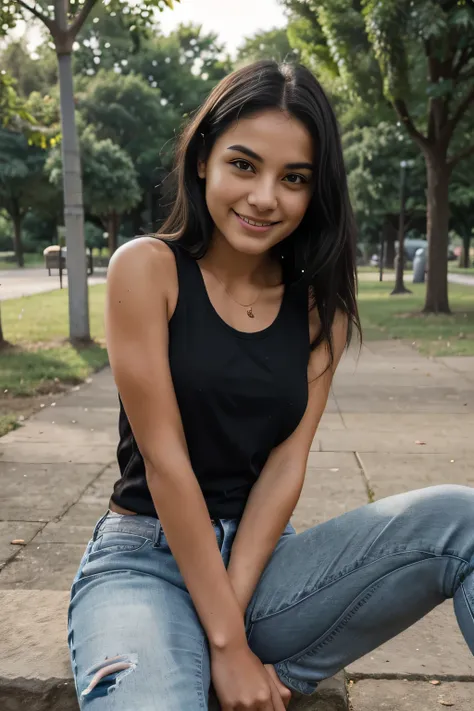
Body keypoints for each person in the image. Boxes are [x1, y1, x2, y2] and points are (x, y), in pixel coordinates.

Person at [67, 60, 474, 711]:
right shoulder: (146, 270)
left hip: (264, 571)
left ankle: (248, 648)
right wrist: (229, 648)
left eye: (294, 179)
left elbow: (287, 463)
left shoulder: (320, 308)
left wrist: (233, 613)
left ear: (316, 193)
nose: (264, 197)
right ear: (204, 159)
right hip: (148, 559)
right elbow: (167, 465)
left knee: (465, 521)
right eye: (244, 164)